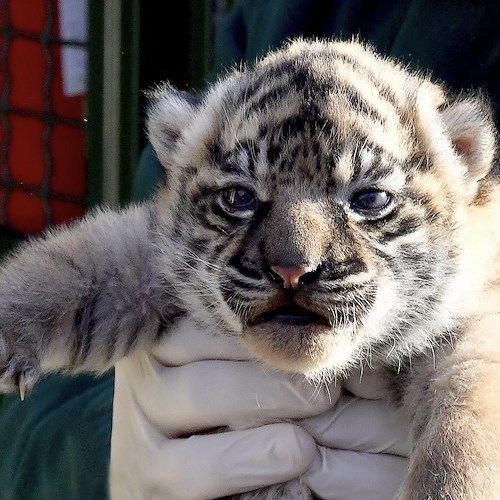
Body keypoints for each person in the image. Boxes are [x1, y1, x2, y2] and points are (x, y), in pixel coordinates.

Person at [1, 1, 499, 499]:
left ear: (463, 161)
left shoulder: (473, 305)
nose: (294, 261)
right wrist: (99, 453)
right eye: (239, 198)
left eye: (370, 200)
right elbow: (119, 255)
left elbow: (478, 376)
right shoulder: (275, 12)